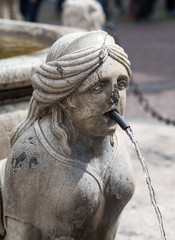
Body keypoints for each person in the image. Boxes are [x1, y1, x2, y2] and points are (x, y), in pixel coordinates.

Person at [1, 31, 135, 239]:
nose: (114, 98)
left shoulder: (114, 143)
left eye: (121, 84)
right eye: (98, 86)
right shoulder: (31, 156)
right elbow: (21, 235)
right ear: (65, 96)